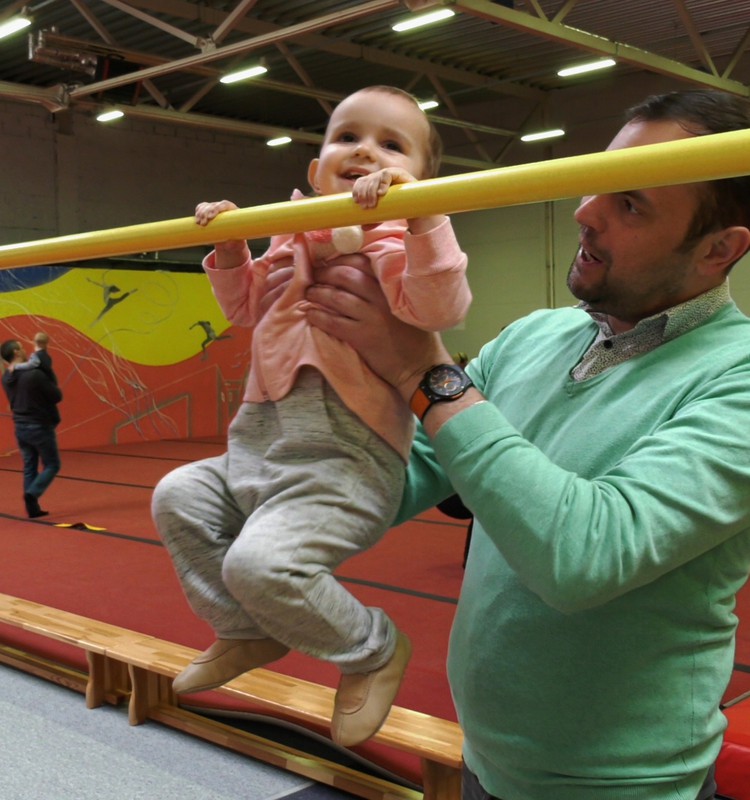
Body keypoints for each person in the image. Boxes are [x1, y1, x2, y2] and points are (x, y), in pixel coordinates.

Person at [301, 89, 750, 799]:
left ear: (718, 250)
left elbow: (585, 555)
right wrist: (263, 484)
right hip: (486, 762)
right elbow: (403, 472)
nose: (584, 211)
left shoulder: (739, 378)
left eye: (628, 204)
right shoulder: (534, 335)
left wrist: (423, 368)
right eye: (595, 183)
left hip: (626, 787)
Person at [151, 85, 471, 747]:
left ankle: (373, 650)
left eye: (391, 145)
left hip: (343, 459)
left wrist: (422, 215)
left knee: (261, 566)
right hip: (257, 449)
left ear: (417, 175)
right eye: (346, 136)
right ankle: (247, 629)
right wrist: (236, 248)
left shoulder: (390, 239)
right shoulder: (289, 231)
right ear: (314, 166)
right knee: (177, 495)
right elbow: (244, 309)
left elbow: (438, 307)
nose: (364, 151)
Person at [1, 338, 63, 519]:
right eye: (21, 348)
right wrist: (46, 368)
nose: (25, 350)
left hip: (20, 426)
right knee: (52, 464)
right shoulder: (35, 374)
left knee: (30, 467)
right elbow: (56, 395)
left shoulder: (7, 377)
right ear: (16, 353)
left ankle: (32, 508)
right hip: (39, 425)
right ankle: (33, 494)